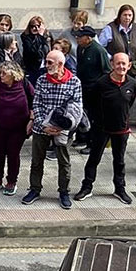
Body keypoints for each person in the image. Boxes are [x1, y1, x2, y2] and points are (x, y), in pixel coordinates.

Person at [21, 49, 82, 210]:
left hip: (63, 130)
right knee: (37, 161)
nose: (46, 65)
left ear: (60, 64)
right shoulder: (42, 80)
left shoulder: (74, 82)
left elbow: (77, 108)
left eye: (49, 62)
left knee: (64, 162)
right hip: (42, 128)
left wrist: (62, 126)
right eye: (46, 61)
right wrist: (43, 125)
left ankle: (64, 192)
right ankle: (34, 189)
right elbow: (37, 104)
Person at [75, 53, 136, 205]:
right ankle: (87, 187)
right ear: (112, 64)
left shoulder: (133, 83)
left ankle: (120, 189)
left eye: (124, 64)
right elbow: (91, 103)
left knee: (119, 161)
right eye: (118, 63)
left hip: (121, 130)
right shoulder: (101, 83)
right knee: (94, 159)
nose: (121, 67)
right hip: (101, 129)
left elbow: (129, 103)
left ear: (129, 66)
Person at [0, 60, 33, 196]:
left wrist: (32, 120)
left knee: (13, 154)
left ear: (13, 74)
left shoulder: (24, 84)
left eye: (4, 73)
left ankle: (11, 181)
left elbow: (34, 101)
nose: (1, 75)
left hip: (18, 127)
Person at [73, 27, 110, 94]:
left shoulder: (99, 51)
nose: (77, 38)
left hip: (94, 88)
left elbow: (106, 70)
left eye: (80, 37)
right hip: (82, 85)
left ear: (88, 38)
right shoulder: (80, 47)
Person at [20, 15, 50, 85]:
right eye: (32, 26)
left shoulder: (47, 35)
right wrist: (40, 36)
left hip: (45, 67)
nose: (35, 28)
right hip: (32, 68)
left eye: (38, 26)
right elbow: (32, 51)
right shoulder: (26, 37)